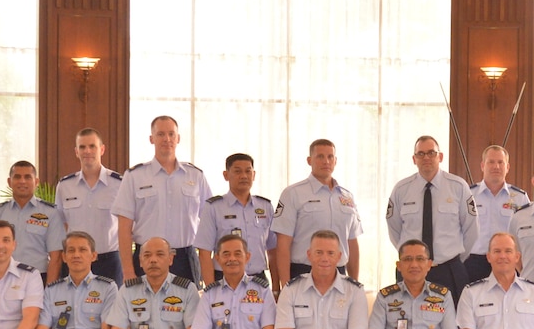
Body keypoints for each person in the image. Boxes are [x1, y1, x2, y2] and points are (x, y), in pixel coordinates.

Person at [118, 114, 209, 284]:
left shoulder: (196, 176)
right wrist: (128, 270)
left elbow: (208, 223)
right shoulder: (134, 176)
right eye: (160, 134)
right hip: (147, 258)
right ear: (151, 139)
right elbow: (124, 227)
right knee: (144, 302)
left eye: (171, 134)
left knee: (188, 302)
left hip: (185, 259)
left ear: (178, 138)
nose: (167, 139)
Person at [385, 135, 477, 295]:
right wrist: (412, 258)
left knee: (453, 312)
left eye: (431, 153)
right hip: (412, 270)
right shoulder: (401, 190)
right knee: (406, 311)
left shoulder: (458, 187)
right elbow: (394, 230)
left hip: (448, 269)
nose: (426, 157)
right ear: (414, 159)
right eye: (420, 154)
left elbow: (471, 229)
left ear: (440, 156)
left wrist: (454, 258)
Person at [273, 138, 363, 282]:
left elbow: (352, 243)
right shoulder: (293, 193)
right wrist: (285, 286)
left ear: (335, 161)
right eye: (320, 156)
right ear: (309, 160)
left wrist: (355, 284)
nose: (326, 161)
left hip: (339, 274)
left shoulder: (347, 197)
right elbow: (283, 244)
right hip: (303, 272)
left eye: (330, 157)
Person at [56, 128, 126, 283]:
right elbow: (62, 225)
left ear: (102, 149)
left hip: (109, 262)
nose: (87, 151)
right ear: (76, 152)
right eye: (82, 147)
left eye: (92, 146)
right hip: (75, 261)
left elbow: (128, 225)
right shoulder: (65, 186)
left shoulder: (119, 184)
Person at [196, 152, 277, 287]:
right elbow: (204, 253)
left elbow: (273, 250)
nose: (244, 176)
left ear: (254, 175)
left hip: (258, 279)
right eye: (237, 171)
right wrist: (211, 290)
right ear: (226, 175)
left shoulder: (265, 207)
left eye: (248, 171)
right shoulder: (214, 207)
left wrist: (276, 287)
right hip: (224, 279)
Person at [466, 146, 531, 281]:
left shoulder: (520, 198)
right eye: (491, 162)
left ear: (507, 167)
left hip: (507, 260)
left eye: (500, 162)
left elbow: (526, 234)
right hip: (474, 263)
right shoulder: (468, 195)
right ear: (482, 166)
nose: (496, 166)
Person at [0, 160, 64, 279]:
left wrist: (49, 289)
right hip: (3, 277)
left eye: (27, 177)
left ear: (36, 182)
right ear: (9, 182)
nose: (22, 181)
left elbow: (56, 257)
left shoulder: (50, 213)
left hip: (37, 277)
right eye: (17, 177)